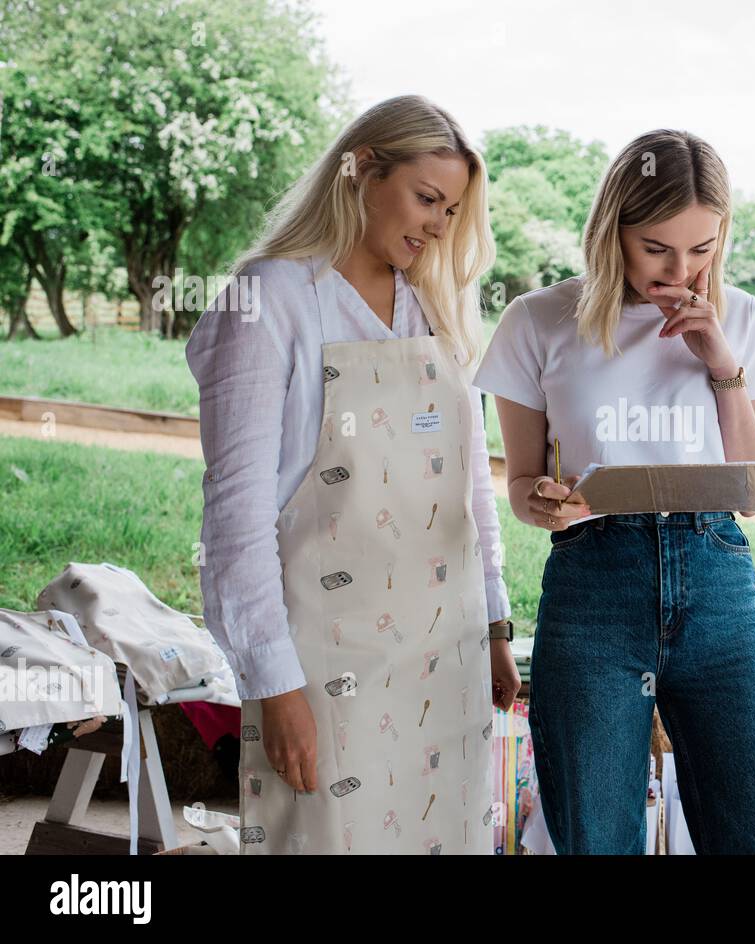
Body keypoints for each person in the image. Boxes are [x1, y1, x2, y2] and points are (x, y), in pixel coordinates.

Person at [186, 95, 519, 854]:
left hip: (445, 654)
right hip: (327, 662)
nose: (439, 224)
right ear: (361, 170)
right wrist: (275, 687)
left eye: (453, 209)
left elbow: (468, 488)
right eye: (427, 199)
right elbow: (236, 519)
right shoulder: (269, 300)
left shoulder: (433, 307)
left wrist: (495, 624)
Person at [473, 129, 755, 854]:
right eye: (658, 247)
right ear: (613, 230)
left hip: (718, 576)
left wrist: (721, 362)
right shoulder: (537, 322)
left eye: (703, 248)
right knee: (596, 836)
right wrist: (541, 500)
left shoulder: (743, 319)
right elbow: (521, 486)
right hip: (594, 586)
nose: (683, 269)